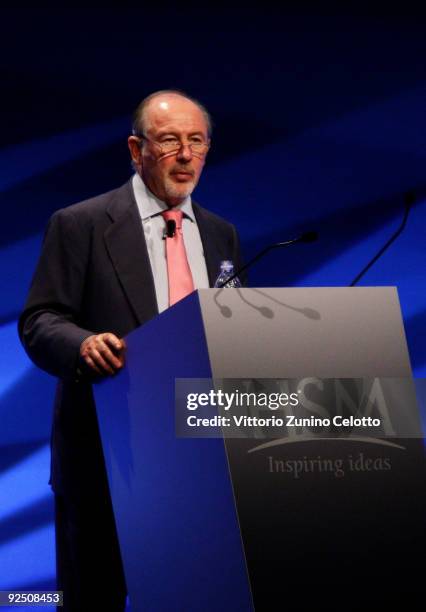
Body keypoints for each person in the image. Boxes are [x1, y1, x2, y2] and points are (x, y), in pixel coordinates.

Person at [18, 90, 244, 611]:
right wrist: (82, 345)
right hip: (107, 456)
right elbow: (40, 319)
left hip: (200, 460)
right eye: (169, 141)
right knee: (93, 598)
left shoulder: (221, 234)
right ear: (136, 149)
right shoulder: (81, 224)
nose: (186, 155)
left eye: (197, 142)